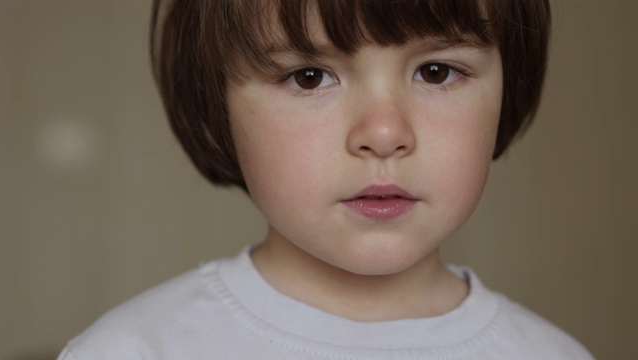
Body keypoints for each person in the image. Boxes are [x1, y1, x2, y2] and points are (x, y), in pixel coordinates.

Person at [58, 0, 595, 359]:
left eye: (436, 71)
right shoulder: (134, 350)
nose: (384, 133)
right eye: (309, 76)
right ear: (217, 101)